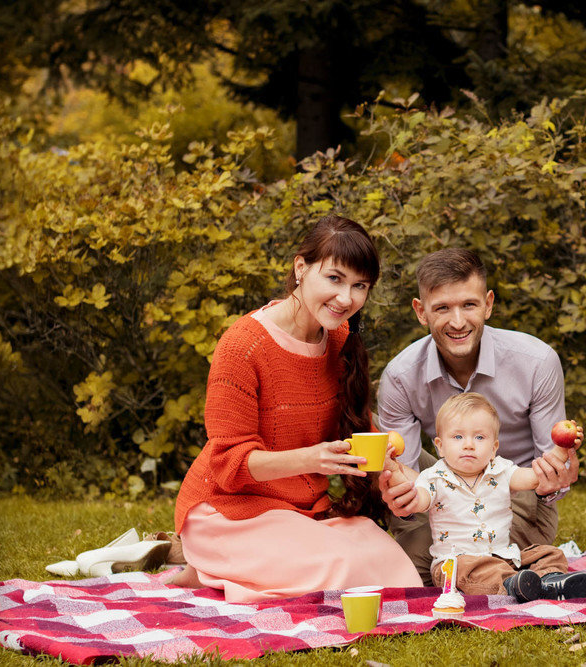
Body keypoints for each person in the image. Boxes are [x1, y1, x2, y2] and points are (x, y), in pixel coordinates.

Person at [170, 215, 422, 602]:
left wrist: (391, 472)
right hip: (226, 511)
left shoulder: (339, 341)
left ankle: (224, 571)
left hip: (298, 511)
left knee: (392, 563)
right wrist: (312, 459)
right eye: (334, 278)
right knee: (339, 569)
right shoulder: (243, 346)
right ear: (300, 268)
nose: (345, 298)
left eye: (359, 286)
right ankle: (209, 566)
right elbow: (228, 463)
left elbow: (359, 436)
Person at [377, 248, 579, 584]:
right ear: (421, 311)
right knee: (411, 564)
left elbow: (554, 466)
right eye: (442, 308)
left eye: (468, 305)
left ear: (487, 303)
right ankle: (506, 573)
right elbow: (407, 471)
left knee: (450, 566)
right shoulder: (400, 376)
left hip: (517, 496)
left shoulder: (537, 362)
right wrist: (402, 493)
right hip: (442, 493)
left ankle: (512, 568)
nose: (457, 322)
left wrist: (560, 473)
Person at [383, 393, 586, 601]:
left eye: (479, 437)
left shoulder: (501, 470)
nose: (468, 445)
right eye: (457, 437)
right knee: (476, 569)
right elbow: (416, 499)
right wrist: (394, 469)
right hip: (455, 565)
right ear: (440, 446)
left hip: (504, 557)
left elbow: (535, 477)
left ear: (494, 448)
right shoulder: (434, 478)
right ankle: (515, 585)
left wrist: (562, 448)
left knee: (547, 553)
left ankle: (550, 581)